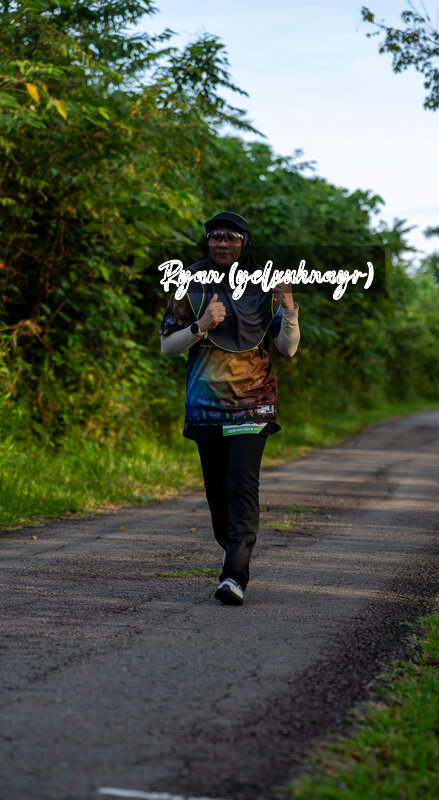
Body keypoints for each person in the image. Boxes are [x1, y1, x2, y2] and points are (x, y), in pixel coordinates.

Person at [159, 212, 300, 605]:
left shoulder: (266, 285)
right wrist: (200, 326)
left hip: (253, 405)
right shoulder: (189, 282)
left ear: (244, 242)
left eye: (231, 237)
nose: (221, 243)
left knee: (241, 483)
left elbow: (287, 348)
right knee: (217, 491)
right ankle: (232, 548)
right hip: (205, 406)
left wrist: (289, 307)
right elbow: (167, 346)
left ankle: (235, 575)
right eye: (215, 236)